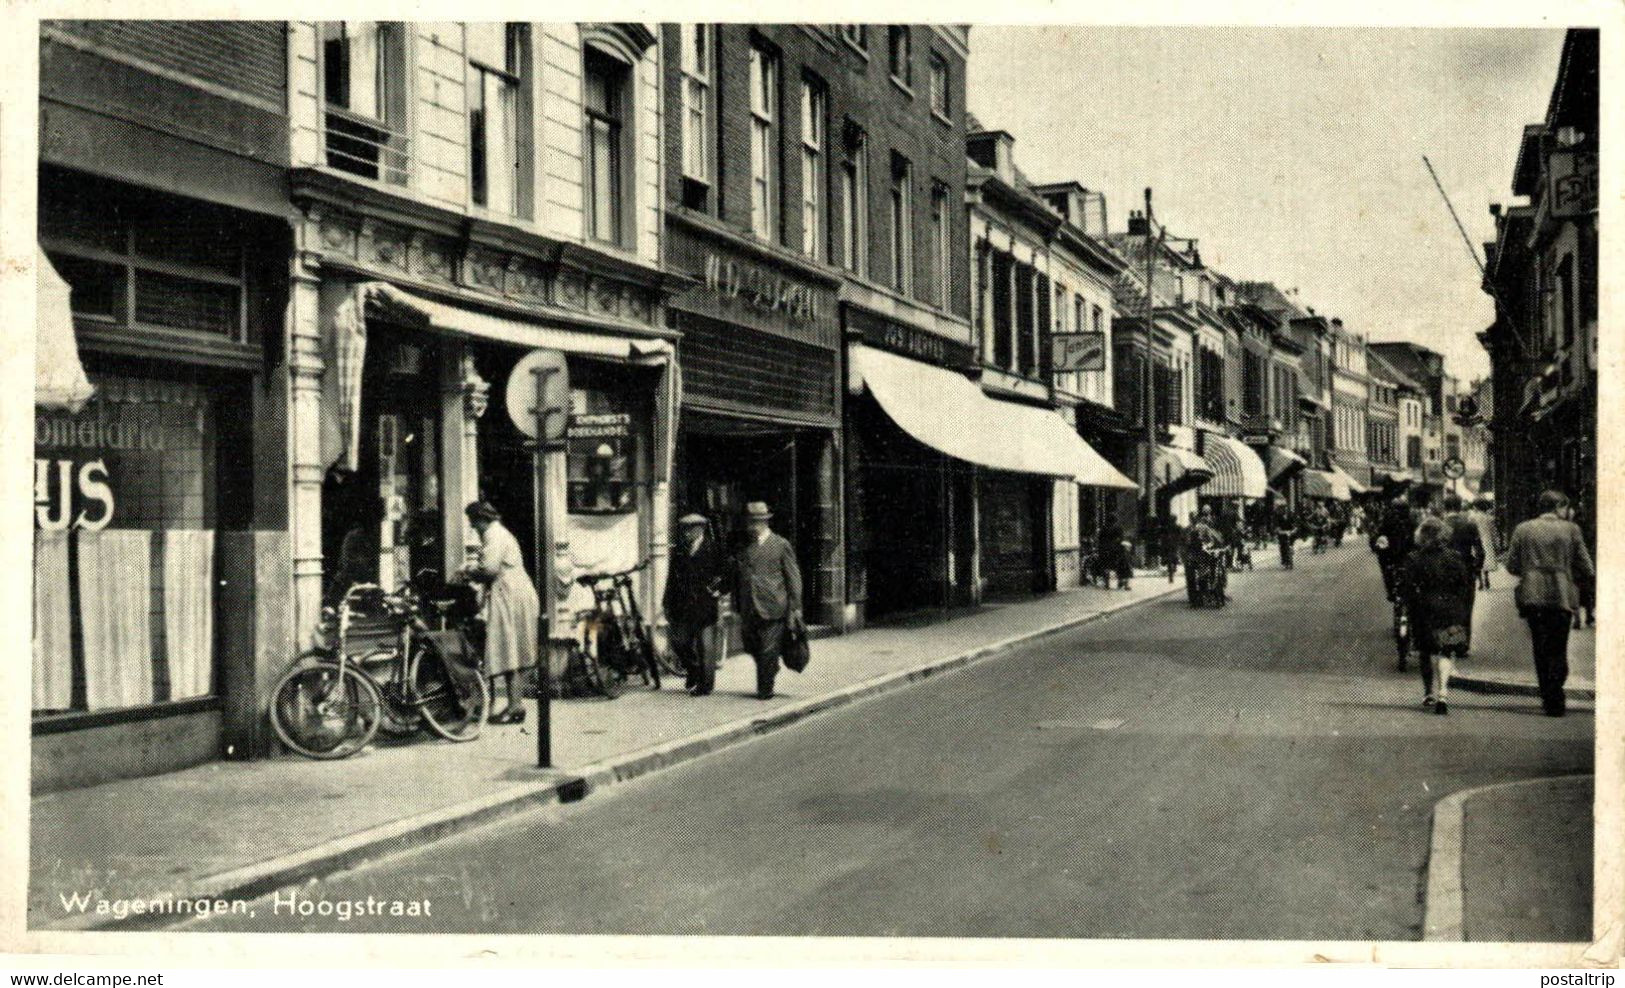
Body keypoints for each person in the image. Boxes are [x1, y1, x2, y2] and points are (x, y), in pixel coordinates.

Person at [1504, 490, 1594, 717]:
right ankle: (1556, 691)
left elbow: (1512, 565)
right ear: (1559, 507)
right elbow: (1587, 566)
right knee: (1559, 646)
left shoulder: (1523, 529)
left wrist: (1530, 568)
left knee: (1540, 646)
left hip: (1532, 594)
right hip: (1562, 594)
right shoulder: (1571, 530)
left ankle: (1548, 695)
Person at [459, 501, 539, 724]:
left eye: (473, 521)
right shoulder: (501, 534)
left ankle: (515, 706)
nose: (473, 526)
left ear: (481, 518)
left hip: (509, 594)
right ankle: (516, 705)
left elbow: (489, 569)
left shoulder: (494, 535)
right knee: (514, 649)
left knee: (508, 647)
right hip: (516, 592)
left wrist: (468, 572)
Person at [1401, 516, 1475, 715]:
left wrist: (1409, 608)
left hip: (1424, 609)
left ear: (1422, 536)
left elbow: (1407, 588)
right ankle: (1443, 693)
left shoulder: (1414, 558)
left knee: (1426, 651)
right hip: (1450, 609)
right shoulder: (1455, 557)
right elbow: (1464, 585)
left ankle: (1428, 692)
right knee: (1446, 650)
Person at [734, 501, 803, 700]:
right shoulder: (745, 547)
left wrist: (795, 607)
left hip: (773, 606)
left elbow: (793, 577)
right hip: (749, 608)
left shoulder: (781, 545)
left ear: (764, 522)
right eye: (749, 521)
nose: (751, 526)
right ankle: (771, 667)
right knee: (752, 647)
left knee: (767, 649)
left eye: (755, 522)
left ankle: (765, 690)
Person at [663, 513, 726, 697]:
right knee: (679, 642)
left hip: (705, 605)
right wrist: (666, 602)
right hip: (683, 606)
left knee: (705, 647)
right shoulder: (680, 550)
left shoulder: (713, 549)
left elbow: (728, 572)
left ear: (700, 529)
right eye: (684, 529)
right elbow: (671, 580)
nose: (686, 533)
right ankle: (693, 670)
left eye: (690, 529)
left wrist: (719, 590)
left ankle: (705, 686)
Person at [1370, 496, 1416, 603]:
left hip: (1392, 557)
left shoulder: (1388, 519)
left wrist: (1376, 545)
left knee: (1386, 569)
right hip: (1405, 557)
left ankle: (1391, 592)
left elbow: (1377, 536)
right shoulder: (1411, 521)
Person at [1468, 497, 1500, 591]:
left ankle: (1480, 582)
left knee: (1478, 561)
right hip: (1487, 540)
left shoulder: (1472, 517)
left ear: (1476, 507)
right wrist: (1496, 544)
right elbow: (1494, 533)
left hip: (1476, 541)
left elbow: (1470, 531)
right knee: (1486, 561)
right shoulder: (1490, 518)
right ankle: (1486, 578)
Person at [1275, 504, 1297, 569]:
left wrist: (1294, 530)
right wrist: (1279, 531)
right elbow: (1277, 526)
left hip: (1290, 533)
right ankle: (1283, 561)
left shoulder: (1291, 516)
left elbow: (1294, 525)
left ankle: (1291, 550)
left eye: (1286, 509)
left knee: (1291, 543)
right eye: (1283, 509)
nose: (1285, 511)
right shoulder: (1278, 517)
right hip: (1282, 533)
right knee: (1282, 547)